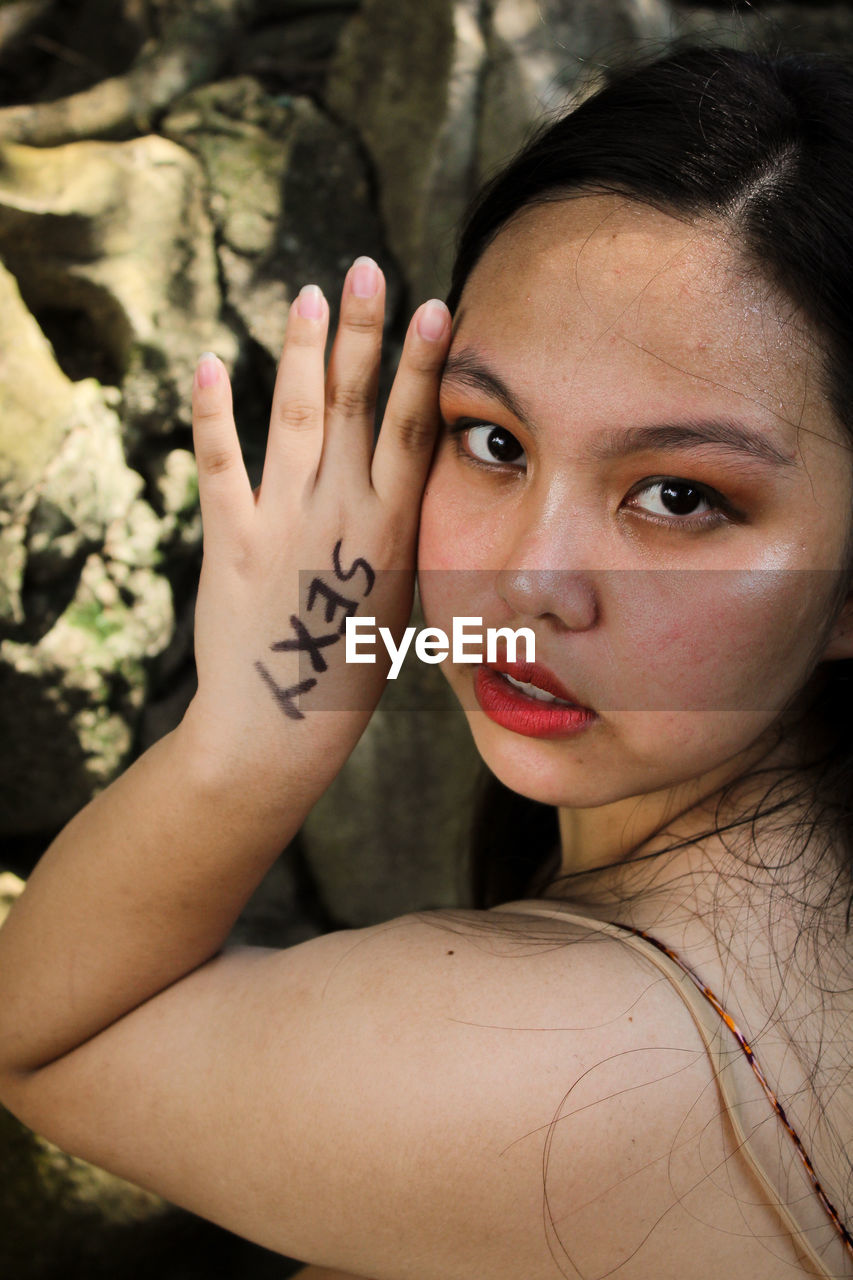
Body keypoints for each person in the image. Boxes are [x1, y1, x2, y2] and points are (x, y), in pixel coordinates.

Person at [1, 40, 853, 1280]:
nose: (529, 579)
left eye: (678, 493)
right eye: (492, 438)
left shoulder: (554, 1066)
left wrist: (257, 727)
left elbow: (41, 1042)